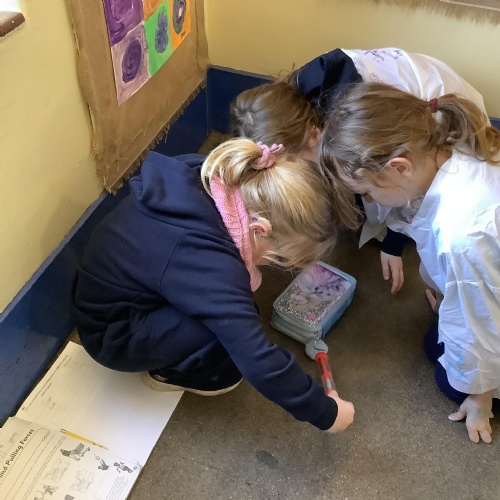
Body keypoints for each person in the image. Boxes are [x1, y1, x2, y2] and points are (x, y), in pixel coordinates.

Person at [71, 138, 355, 434]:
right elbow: (258, 359)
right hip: (111, 333)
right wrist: (327, 413)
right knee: (222, 336)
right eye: (279, 259)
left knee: (234, 311)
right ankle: (170, 373)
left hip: (107, 291)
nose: (275, 265)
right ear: (259, 230)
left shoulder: (212, 176)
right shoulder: (210, 263)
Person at [318, 81, 500, 444]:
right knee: (440, 346)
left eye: (367, 192)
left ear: (400, 167)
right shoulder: (447, 139)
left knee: (451, 382)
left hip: (488, 308)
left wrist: (481, 398)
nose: (370, 201)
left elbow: (482, 321)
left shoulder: (462, 234)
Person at [230, 47, 489, 294]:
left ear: (315, 136)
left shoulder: (375, 138)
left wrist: (394, 243)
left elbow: (407, 189)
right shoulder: (298, 109)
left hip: (448, 121)